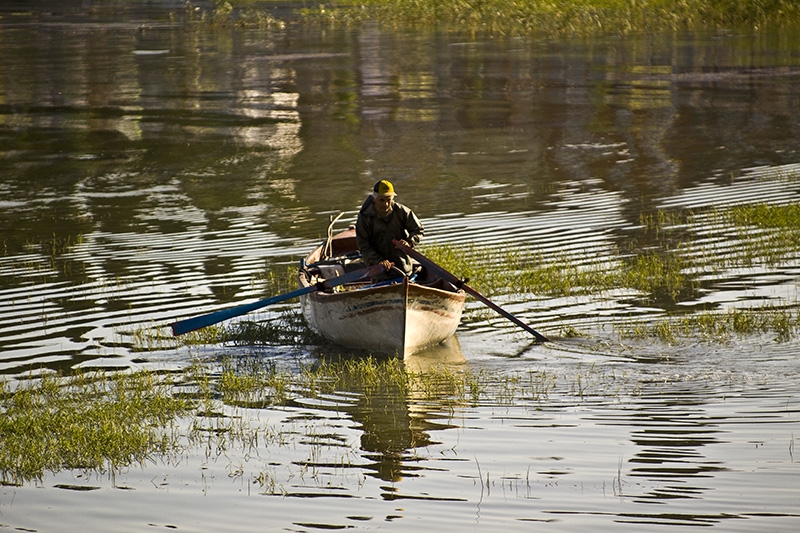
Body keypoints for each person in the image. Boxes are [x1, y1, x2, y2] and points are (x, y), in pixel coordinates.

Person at [356, 180, 424, 279]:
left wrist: (409, 242)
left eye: (389, 200)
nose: (386, 204)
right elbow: (364, 246)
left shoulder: (401, 211)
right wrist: (378, 261)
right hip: (379, 272)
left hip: (403, 267)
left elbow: (418, 230)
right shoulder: (365, 218)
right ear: (374, 199)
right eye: (382, 200)